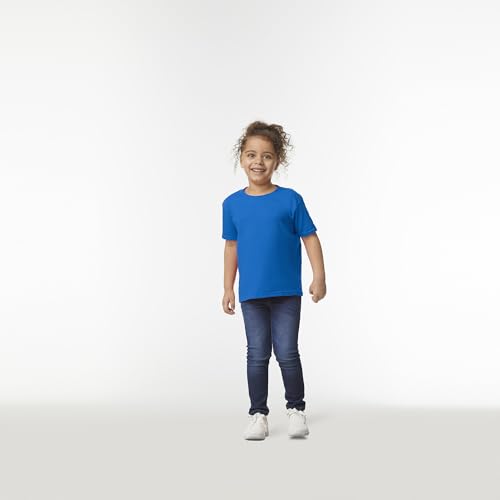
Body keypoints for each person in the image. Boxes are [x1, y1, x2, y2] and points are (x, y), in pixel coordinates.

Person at [221, 120, 327, 440]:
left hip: (286, 293)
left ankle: (296, 410)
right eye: (251, 154)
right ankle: (258, 415)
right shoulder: (232, 204)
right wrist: (228, 287)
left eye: (267, 156)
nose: (258, 161)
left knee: (287, 353)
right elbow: (231, 246)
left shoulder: (290, 200)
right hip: (251, 294)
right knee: (257, 355)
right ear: (241, 158)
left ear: (277, 160)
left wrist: (319, 276)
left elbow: (310, 238)